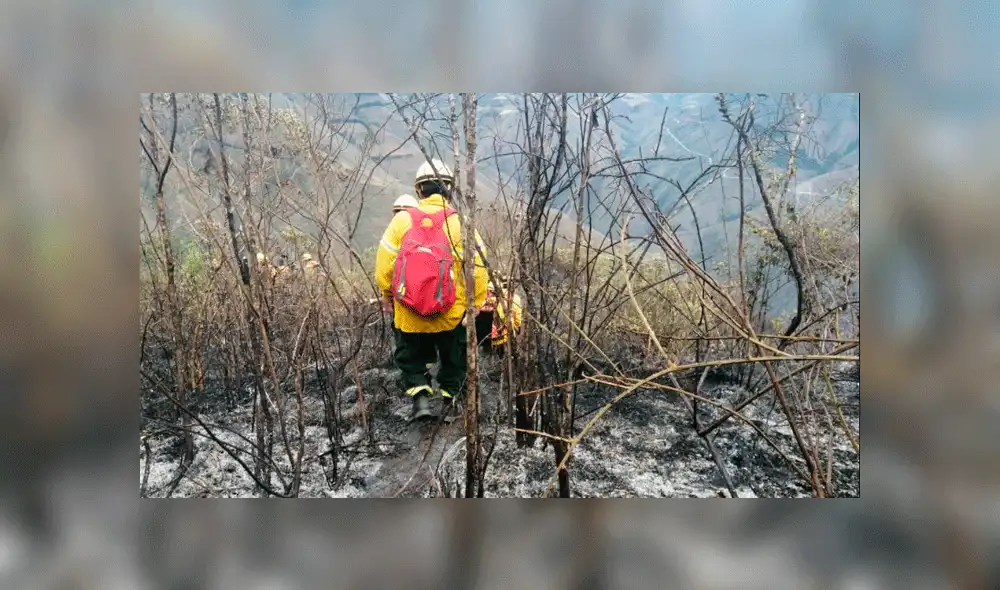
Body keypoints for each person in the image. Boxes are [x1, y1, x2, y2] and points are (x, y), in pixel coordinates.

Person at [375, 159, 489, 420]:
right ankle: (450, 405)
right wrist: (475, 303)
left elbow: (384, 265)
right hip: (450, 312)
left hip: (409, 312)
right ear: (450, 189)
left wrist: (387, 295)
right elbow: (479, 267)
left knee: (411, 357)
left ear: (419, 190)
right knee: (453, 359)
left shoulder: (402, 220)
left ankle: (421, 403)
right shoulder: (460, 223)